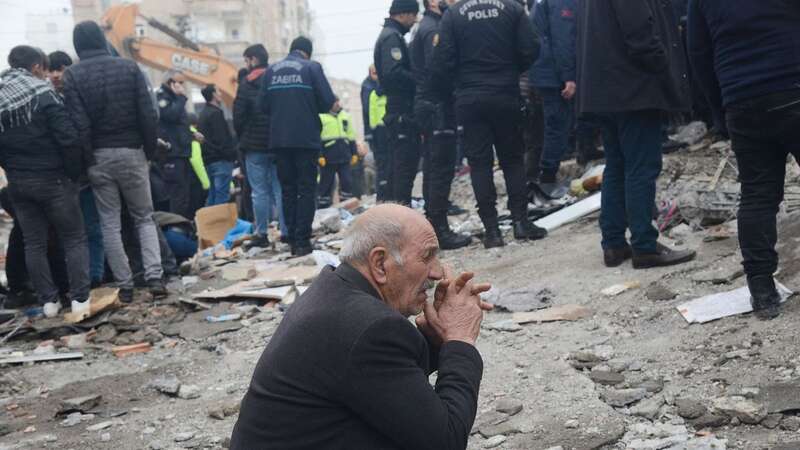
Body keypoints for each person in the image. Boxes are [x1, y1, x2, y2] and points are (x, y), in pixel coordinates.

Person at [231, 204, 491, 449]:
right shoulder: (368, 327)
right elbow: (446, 439)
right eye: (427, 257)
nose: (437, 273)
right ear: (379, 264)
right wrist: (460, 340)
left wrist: (436, 340)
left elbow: (384, 381)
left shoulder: (338, 289)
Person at [687, 0, 800, 319]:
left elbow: (697, 53)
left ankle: (762, 292)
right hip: (793, 83)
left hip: (741, 99)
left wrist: (719, 109)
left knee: (758, 196)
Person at [576, 0, 697, 269]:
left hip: (605, 91)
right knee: (641, 168)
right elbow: (640, 33)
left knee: (617, 167)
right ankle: (644, 245)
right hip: (634, 89)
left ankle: (614, 245)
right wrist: (664, 68)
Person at [63, 21, 165, 302]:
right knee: (144, 216)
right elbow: (147, 113)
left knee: (109, 223)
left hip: (98, 157)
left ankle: (125, 284)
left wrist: (87, 161)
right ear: (101, 39)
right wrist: (148, 149)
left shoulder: (72, 75)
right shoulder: (129, 67)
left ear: (77, 45)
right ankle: (155, 276)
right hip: (132, 151)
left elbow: (78, 124)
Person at [431, 0, 547, 249]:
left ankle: (492, 231)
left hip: (470, 98)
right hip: (505, 92)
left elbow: (442, 59)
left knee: (479, 164)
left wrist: (460, 82)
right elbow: (532, 46)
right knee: (512, 159)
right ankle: (520, 222)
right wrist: (511, 68)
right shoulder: (512, 8)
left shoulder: (453, 15)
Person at [0, 46, 90, 318]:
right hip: (53, 179)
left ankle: (49, 304)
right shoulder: (43, 93)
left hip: (19, 183)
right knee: (74, 238)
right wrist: (73, 174)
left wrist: (13, 171)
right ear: (37, 66)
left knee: (34, 243)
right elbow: (68, 137)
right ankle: (80, 301)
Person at [260, 37, 337, 257]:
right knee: (306, 189)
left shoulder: (271, 71)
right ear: (308, 53)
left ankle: (291, 237)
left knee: (288, 190)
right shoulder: (312, 68)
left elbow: (262, 106)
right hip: (306, 139)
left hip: (280, 141)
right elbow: (328, 100)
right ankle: (302, 242)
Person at [410, 0, 471, 251]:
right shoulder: (433, 28)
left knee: (436, 168)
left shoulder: (427, 26)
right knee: (441, 169)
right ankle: (439, 230)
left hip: (431, 104)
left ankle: (434, 227)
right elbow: (438, 68)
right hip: (437, 106)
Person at [47, 50, 106, 287]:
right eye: (51, 70)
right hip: (61, 179)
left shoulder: (79, 96)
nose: (55, 75)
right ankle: (75, 280)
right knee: (70, 234)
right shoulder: (47, 100)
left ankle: (95, 276)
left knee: (93, 227)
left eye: (60, 69)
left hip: (85, 174)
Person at [234, 44, 286, 248]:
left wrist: (244, 137)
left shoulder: (246, 83)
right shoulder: (276, 78)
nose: (245, 65)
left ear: (253, 60)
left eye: (246, 60)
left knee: (259, 191)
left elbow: (238, 116)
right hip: (276, 143)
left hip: (254, 145)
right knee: (279, 188)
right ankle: (285, 230)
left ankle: (262, 232)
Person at [374, 0, 420, 205]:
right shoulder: (391, 37)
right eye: (413, 15)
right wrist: (419, 78)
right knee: (403, 165)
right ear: (402, 14)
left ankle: (396, 212)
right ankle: (401, 212)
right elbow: (394, 73)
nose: (415, 20)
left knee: (400, 164)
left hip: (399, 109)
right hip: (400, 109)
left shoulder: (393, 35)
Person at [529, 0, 577, 199]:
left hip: (545, 69)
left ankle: (543, 173)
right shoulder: (558, 3)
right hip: (553, 72)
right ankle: (547, 177)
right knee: (557, 123)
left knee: (553, 123)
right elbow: (562, 39)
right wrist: (569, 76)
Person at [157, 71, 194, 219]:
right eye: (180, 82)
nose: (182, 86)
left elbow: (179, 124)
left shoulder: (175, 99)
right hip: (172, 154)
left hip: (182, 152)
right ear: (171, 82)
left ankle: (183, 224)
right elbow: (170, 116)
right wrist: (181, 97)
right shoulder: (163, 97)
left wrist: (191, 134)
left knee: (184, 193)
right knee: (177, 194)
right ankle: (175, 227)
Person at [198, 84, 236, 206]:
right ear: (214, 94)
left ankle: (209, 223)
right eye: (219, 91)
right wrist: (231, 155)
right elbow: (222, 140)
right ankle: (221, 224)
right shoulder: (216, 114)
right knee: (222, 196)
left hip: (209, 160)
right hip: (221, 160)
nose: (221, 94)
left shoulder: (203, 113)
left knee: (213, 194)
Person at [317, 106, 357, 209]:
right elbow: (317, 137)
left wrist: (354, 153)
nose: (337, 104)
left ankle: (346, 207)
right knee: (326, 184)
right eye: (335, 102)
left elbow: (351, 135)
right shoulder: (321, 116)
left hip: (344, 156)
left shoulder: (345, 116)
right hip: (328, 158)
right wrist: (320, 155)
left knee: (347, 182)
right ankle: (323, 208)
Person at [369, 79, 392, 201]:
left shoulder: (373, 94)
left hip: (378, 131)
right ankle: (386, 194)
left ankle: (382, 195)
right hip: (387, 129)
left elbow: (371, 115)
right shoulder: (391, 90)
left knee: (382, 164)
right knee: (388, 162)